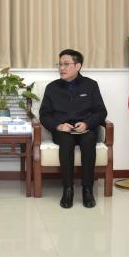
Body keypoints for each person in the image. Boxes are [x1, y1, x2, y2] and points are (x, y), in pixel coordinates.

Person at [39, 49, 108, 208]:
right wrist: (59, 126)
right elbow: (44, 115)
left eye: (66, 64)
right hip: (63, 130)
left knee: (88, 140)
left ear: (78, 66)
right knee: (66, 141)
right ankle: (68, 189)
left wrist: (87, 124)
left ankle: (87, 189)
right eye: (59, 64)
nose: (61, 68)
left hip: (86, 129)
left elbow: (101, 112)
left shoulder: (91, 85)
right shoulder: (52, 88)